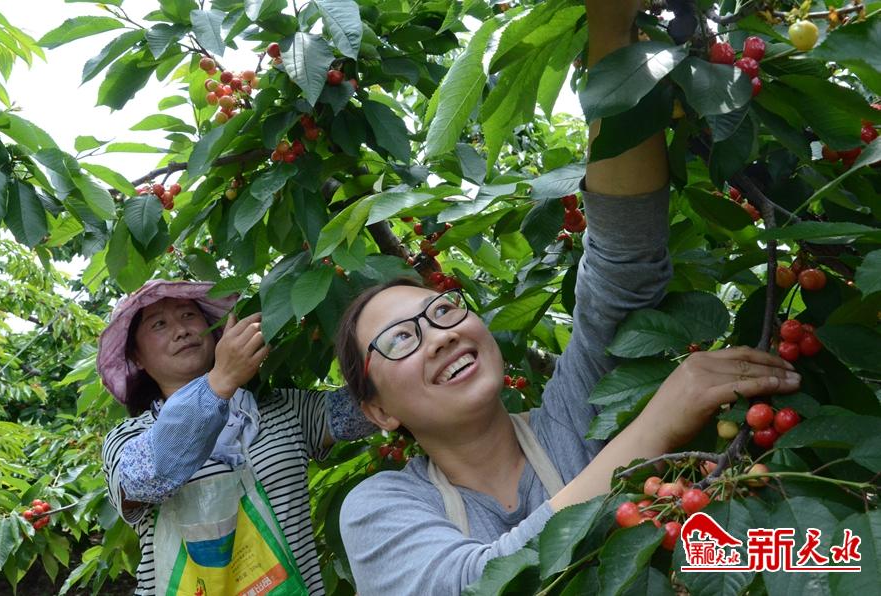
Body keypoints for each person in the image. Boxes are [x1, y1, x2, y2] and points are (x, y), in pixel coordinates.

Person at [332, 2, 802, 594]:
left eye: (444, 310)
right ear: (378, 411)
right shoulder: (379, 507)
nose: (440, 335)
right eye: (401, 338)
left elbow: (623, 264)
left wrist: (610, 26)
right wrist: (656, 425)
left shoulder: (574, 416)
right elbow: (477, 584)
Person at [98, 280, 375, 595]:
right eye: (158, 324)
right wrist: (220, 381)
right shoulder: (128, 438)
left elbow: (367, 408)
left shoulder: (280, 409)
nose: (181, 330)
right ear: (137, 357)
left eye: (189, 315)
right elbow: (145, 477)